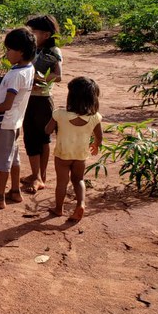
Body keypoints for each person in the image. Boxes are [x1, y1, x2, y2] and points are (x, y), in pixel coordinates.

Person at [0, 28, 36, 210]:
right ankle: (15, 191)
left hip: (5, 121)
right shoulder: (28, 68)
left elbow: (7, 104)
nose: (7, 53)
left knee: (3, 161)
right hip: (16, 121)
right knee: (13, 157)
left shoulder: (16, 75)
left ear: (21, 52)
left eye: (9, 50)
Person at [45, 77, 102, 222]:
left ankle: (58, 209)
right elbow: (99, 137)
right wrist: (95, 145)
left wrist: (55, 121)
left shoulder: (60, 114)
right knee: (79, 180)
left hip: (63, 155)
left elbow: (47, 130)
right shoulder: (95, 117)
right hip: (80, 155)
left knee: (61, 183)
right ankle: (81, 204)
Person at [21, 14, 63, 194]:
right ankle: (36, 174)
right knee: (30, 137)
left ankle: (40, 176)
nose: (29, 35)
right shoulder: (30, 49)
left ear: (46, 35)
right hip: (28, 99)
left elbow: (58, 75)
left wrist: (40, 79)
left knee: (43, 138)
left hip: (42, 99)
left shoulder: (53, 52)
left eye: (33, 32)